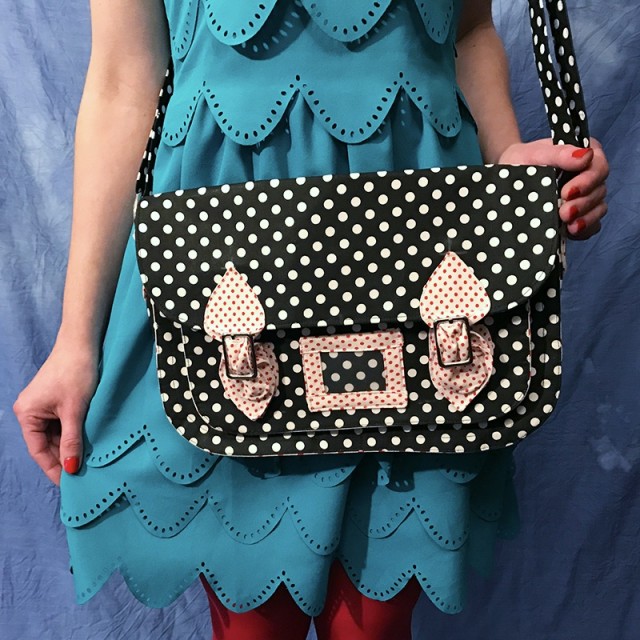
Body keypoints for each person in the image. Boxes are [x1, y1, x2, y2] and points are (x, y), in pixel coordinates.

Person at [13, 1, 609, 638]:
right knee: (252, 620)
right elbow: (122, 81)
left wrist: (509, 161)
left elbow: (470, 28)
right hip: (222, 266)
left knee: (375, 623)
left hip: (426, 254)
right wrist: (76, 343)